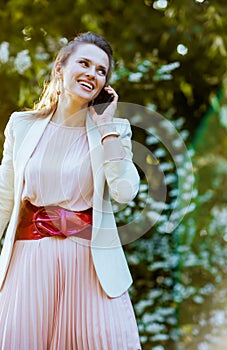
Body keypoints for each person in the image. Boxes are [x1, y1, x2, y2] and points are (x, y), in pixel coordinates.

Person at [0, 32, 142, 349]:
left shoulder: (115, 130)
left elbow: (125, 191)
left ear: (105, 84)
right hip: (29, 262)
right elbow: (3, 199)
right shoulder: (20, 125)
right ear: (61, 68)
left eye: (101, 70)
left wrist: (106, 129)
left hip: (89, 264)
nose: (92, 73)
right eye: (84, 63)